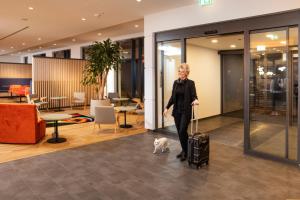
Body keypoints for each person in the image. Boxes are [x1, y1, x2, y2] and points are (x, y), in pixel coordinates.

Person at [163, 63, 199, 161]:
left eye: (182, 71)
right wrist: (167, 108)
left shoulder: (191, 83)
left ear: (186, 72)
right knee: (180, 132)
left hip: (186, 111)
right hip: (177, 111)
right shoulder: (175, 82)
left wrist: (195, 100)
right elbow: (172, 97)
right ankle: (185, 150)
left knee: (183, 130)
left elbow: (194, 96)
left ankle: (186, 151)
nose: (180, 73)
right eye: (179, 71)